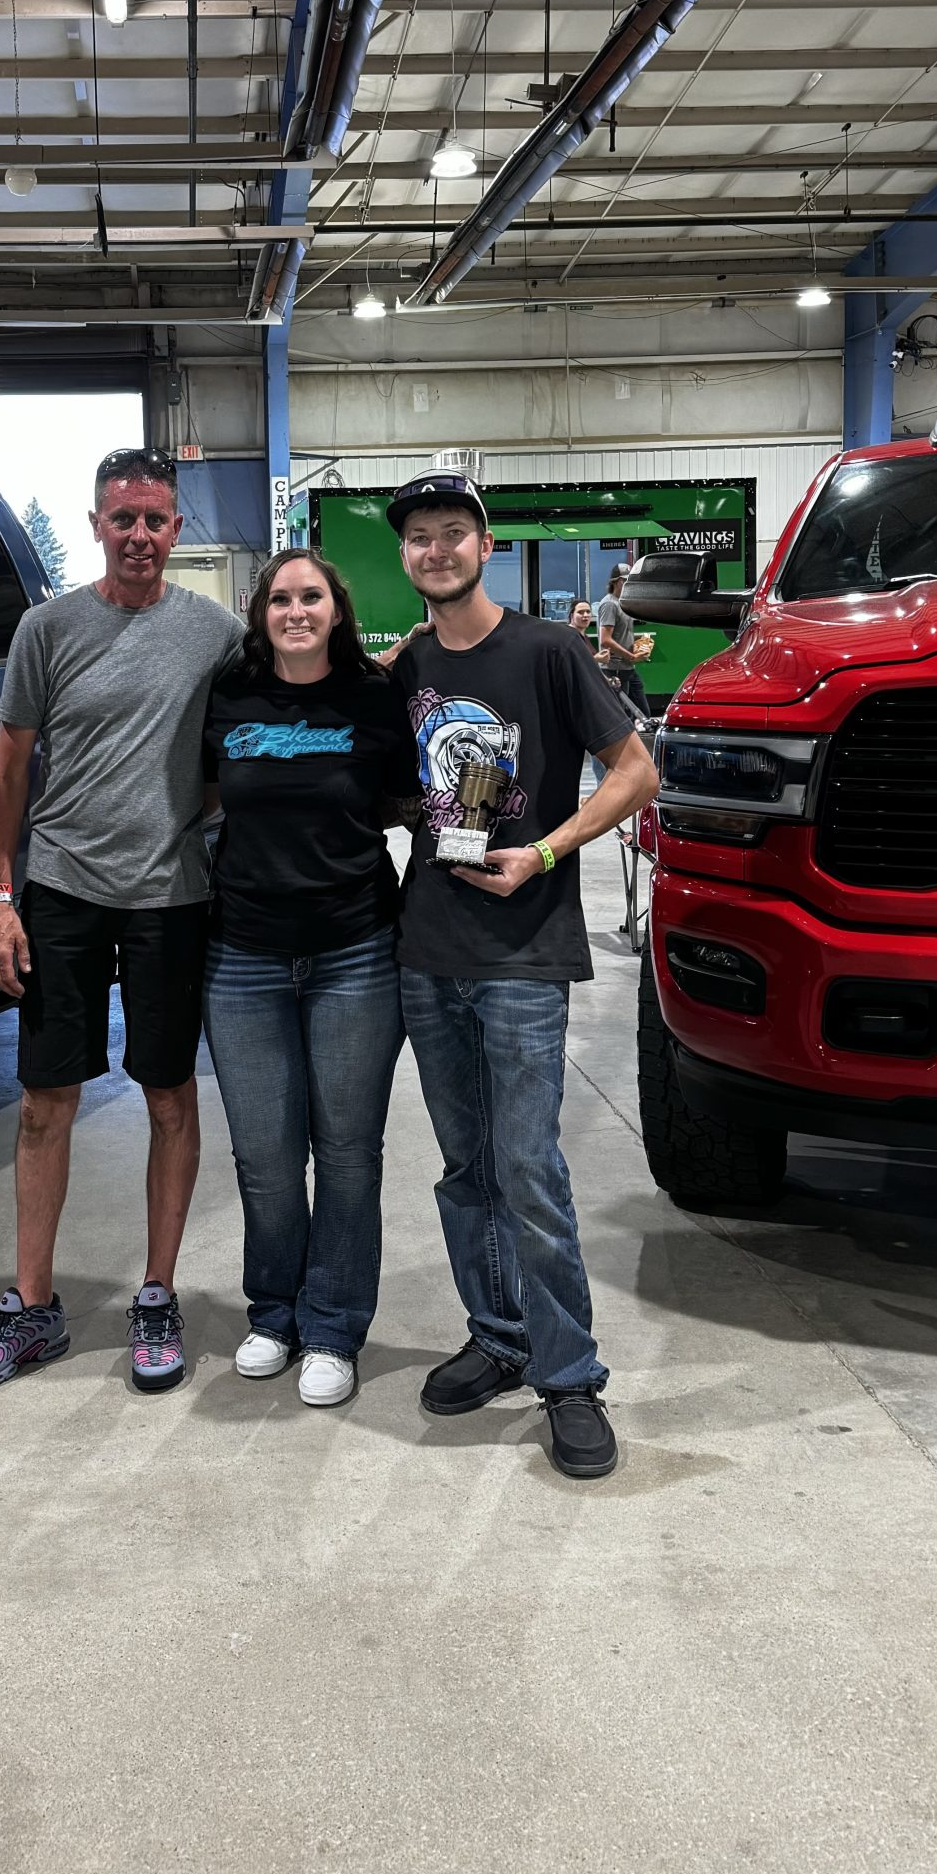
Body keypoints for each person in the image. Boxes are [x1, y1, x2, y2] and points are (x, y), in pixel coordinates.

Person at [0, 447, 243, 1399]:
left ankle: (157, 1295)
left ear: (177, 529)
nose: (140, 535)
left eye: (155, 519)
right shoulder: (48, 629)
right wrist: (3, 898)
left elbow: (259, 730)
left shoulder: (218, 634)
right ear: (97, 525)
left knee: (169, 1096)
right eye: (124, 519)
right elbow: (8, 767)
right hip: (63, 888)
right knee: (46, 1100)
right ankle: (33, 1307)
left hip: (171, 894)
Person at [385, 471, 659, 1481]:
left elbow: (636, 772)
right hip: (429, 947)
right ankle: (498, 1336)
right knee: (466, 1167)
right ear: (406, 555)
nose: (437, 549)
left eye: (453, 531)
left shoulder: (548, 650)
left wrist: (543, 852)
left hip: (523, 952)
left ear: (485, 545)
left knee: (529, 1167)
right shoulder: (407, 665)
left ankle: (569, 1376)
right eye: (420, 535)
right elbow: (402, 789)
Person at [201, 552, 415, 1408]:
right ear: (261, 612)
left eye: (311, 596)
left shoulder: (374, 697)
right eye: (281, 598)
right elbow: (202, 798)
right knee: (265, 1156)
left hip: (354, 951)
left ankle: (332, 1327)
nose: (296, 610)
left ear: (336, 610)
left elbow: (405, 803)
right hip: (243, 956)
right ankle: (273, 1313)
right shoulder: (228, 697)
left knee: (349, 1152)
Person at [597, 563, 650, 714]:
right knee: (620, 713)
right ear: (616, 581)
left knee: (643, 714)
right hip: (615, 668)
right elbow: (605, 639)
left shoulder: (622, 603)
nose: (628, 584)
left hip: (627, 667)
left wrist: (641, 642)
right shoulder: (609, 604)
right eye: (625, 580)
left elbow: (621, 633)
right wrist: (632, 656)